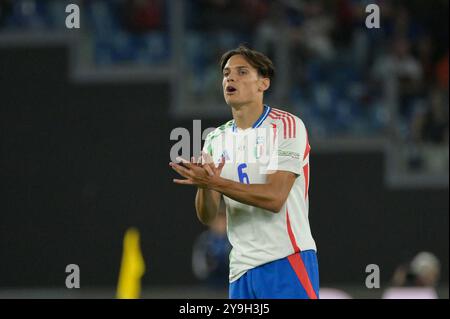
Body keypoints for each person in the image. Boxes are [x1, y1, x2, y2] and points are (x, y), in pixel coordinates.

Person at [170, 45, 319, 299]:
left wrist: (217, 182)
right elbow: (207, 216)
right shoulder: (215, 139)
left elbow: (274, 198)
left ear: (263, 83)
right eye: (227, 73)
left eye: (241, 72)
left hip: (285, 260)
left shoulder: (286, 126)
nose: (230, 78)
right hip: (240, 270)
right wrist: (204, 185)